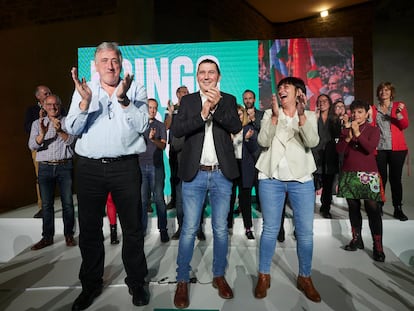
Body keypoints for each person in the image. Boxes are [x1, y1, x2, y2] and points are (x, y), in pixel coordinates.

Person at [65, 42, 150, 310]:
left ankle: (137, 282)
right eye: (104, 60)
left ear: (121, 62)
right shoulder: (85, 88)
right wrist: (85, 102)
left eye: (114, 60)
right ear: (96, 65)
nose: (110, 66)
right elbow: (71, 128)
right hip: (89, 169)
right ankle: (90, 284)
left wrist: (124, 100)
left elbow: (144, 125)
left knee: (133, 229)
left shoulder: (135, 88)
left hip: (125, 167)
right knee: (89, 230)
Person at [172, 59, 242, 309]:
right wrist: (202, 114)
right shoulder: (189, 101)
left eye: (211, 72)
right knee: (189, 228)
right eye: (202, 72)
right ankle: (182, 280)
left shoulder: (230, 100)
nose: (206, 76)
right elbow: (177, 130)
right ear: (197, 76)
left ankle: (218, 275)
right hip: (195, 174)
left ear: (218, 76)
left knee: (221, 230)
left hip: (222, 174)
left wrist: (217, 105)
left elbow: (235, 125)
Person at [254, 77, 321, 303]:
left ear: (299, 93)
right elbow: (263, 141)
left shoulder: (309, 116)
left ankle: (305, 277)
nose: (281, 90)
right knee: (270, 229)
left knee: (305, 233)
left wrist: (301, 116)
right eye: (280, 87)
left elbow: (312, 142)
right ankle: (264, 275)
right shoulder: (268, 114)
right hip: (270, 178)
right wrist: (274, 117)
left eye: (286, 87)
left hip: (301, 179)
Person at [336, 100, 385, 262]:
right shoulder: (345, 130)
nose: (356, 115)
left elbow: (370, 148)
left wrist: (358, 133)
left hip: (369, 174)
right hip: (349, 173)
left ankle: (378, 245)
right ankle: (356, 239)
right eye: (354, 112)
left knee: (373, 209)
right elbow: (340, 150)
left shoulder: (373, 130)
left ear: (366, 113)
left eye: (360, 112)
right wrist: (349, 136)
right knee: (353, 207)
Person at [28, 94, 76, 250]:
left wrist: (60, 130)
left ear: (60, 105)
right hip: (45, 167)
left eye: (56, 104)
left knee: (68, 204)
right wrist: (42, 134)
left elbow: (71, 142)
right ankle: (47, 237)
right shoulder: (37, 123)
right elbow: (32, 146)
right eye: (49, 104)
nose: (53, 107)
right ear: (44, 106)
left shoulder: (68, 121)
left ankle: (69, 235)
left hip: (64, 166)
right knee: (47, 205)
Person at [370, 82, 409, 221]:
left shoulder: (399, 106)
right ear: (378, 93)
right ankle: (378, 207)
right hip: (380, 149)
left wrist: (398, 115)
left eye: (386, 90)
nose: (383, 92)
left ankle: (398, 208)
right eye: (381, 90)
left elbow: (404, 125)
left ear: (391, 93)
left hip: (397, 149)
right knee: (380, 179)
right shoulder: (374, 109)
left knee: (395, 180)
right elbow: (371, 128)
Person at [139, 98, 169, 242]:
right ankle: (142, 229)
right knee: (143, 200)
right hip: (140, 166)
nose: (152, 110)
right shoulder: (139, 126)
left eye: (154, 108)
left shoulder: (160, 126)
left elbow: (163, 146)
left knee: (159, 199)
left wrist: (153, 139)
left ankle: (163, 229)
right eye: (150, 107)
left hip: (156, 167)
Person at [227, 105, 258, 239]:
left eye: (240, 114)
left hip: (245, 168)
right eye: (236, 114)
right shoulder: (228, 130)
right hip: (232, 167)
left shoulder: (249, 128)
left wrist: (246, 139)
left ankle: (248, 228)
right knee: (229, 198)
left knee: (245, 200)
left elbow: (254, 149)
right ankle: (227, 226)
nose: (238, 116)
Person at [24, 85, 51, 218]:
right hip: (39, 149)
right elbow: (27, 127)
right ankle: (42, 207)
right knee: (40, 178)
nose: (48, 95)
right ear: (38, 96)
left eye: (49, 93)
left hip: (56, 148)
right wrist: (40, 122)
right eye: (45, 94)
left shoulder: (56, 106)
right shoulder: (32, 110)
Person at [312, 94, 340, 218]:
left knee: (328, 184)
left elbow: (338, 135)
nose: (322, 103)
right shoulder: (313, 117)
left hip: (330, 155)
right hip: (315, 154)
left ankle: (325, 208)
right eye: (319, 101)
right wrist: (314, 118)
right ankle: (308, 207)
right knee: (312, 183)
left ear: (329, 103)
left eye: (324, 101)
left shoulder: (335, 119)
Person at [165, 85, 189, 210]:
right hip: (174, 147)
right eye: (182, 92)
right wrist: (170, 113)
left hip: (187, 147)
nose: (184, 94)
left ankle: (186, 201)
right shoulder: (172, 108)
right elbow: (166, 126)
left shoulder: (191, 108)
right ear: (177, 94)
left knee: (187, 175)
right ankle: (174, 200)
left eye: (187, 92)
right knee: (174, 175)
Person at [242, 89, 264, 211]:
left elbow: (265, 130)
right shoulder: (240, 113)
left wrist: (254, 120)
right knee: (244, 184)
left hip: (259, 153)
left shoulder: (262, 114)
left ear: (254, 99)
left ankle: (261, 205)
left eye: (250, 98)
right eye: (245, 98)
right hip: (245, 154)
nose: (248, 100)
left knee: (259, 182)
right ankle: (243, 206)